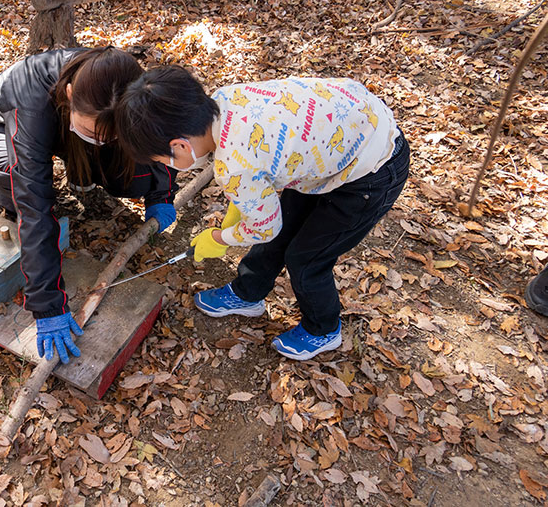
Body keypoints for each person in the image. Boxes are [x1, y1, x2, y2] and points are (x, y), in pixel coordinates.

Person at [115, 66, 410, 361]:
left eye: (164, 159)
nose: (170, 165)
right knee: (284, 231)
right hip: (332, 145)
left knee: (306, 259)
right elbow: (262, 187)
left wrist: (219, 236)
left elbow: (264, 227)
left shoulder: (236, 167)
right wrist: (240, 207)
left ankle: (323, 329)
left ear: (179, 145)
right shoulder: (224, 99)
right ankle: (248, 292)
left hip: (372, 172)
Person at [0, 47, 178, 364]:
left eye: (106, 135)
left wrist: (160, 194)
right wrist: (48, 305)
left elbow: (160, 142)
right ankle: (23, 205)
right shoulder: (30, 100)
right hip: (5, 117)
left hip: (66, 120)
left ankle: (86, 167)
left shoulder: (133, 92)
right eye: (91, 131)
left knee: (133, 177)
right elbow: (34, 202)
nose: (98, 138)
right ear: (69, 93)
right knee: (14, 186)